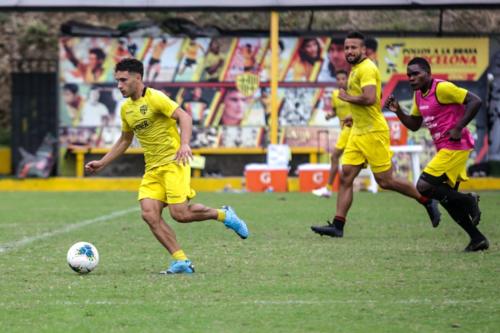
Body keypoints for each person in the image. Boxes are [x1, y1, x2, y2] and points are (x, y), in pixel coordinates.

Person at [85, 58, 249, 274]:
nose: (119, 85)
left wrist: (185, 144)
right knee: (149, 214)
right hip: (153, 169)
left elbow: (184, 116)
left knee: (180, 214)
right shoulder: (126, 109)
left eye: (123, 80)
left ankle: (224, 214)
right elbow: (125, 140)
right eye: (117, 81)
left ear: (138, 78)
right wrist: (102, 162)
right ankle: (181, 260)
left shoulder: (156, 98)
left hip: (174, 163)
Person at [311, 31, 440, 238]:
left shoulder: (368, 68)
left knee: (385, 181)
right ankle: (338, 225)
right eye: (347, 47)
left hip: (373, 132)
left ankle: (426, 200)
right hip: (358, 131)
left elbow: (371, 98)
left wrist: (347, 98)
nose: (349, 51)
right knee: (346, 177)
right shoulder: (355, 69)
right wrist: (354, 117)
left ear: (363, 50)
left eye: (354, 47)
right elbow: (372, 98)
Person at [384, 57, 488, 252]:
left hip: (455, 146)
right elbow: (414, 125)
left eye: (416, 73)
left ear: (428, 73)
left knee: (423, 186)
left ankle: (469, 200)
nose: (412, 78)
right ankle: (477, 239)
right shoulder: (418, 96)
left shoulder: (442, 88)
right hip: (446, 149)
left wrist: (458, 127)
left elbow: (475, 101)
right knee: (448, 200)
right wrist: (398, 111)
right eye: (409, 75)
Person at [312, 70, 351, 198]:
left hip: (351, 129)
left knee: (335, 157)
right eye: (338, 79)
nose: (341, 81)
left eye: (343, 78)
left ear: (347, 79)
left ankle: (328, 188)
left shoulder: (354, 93)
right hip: (345, 130)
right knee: (344, 160)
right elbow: (336, 110)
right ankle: (332, 188)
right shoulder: (335, 94)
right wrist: (330, 116)